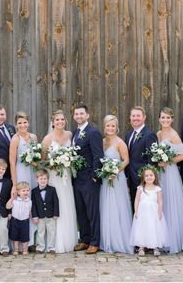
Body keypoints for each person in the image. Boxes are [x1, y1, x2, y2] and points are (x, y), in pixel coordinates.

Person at [41, 109, 78, 253]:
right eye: (57, 120)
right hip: (54, 176)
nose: (60, 122)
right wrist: (55, 163)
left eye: (62, 119)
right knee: (57, 203)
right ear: (53, 122)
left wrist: (68, 160)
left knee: (67, 203)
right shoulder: (47, 138)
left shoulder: (69, 134)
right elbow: (43, 160)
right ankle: (54, 242)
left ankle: (69, 239)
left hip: (67, 176)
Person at [71, 102, 103, 254]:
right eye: (76, 114)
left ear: (87, 115)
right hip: (77, 178)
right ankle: (85, 239)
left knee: (92, 211)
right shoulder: (75, 133)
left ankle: (95, 242)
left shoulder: (93, 132)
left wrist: (95, 175)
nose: (79, 116)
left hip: (90, 178)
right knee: (81, 210)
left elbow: (98, 155)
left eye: (81, 113)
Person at [99, 115, 134, 254]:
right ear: (104, 127)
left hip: (116, 179)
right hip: (105, 179)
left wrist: (115, 171)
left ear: (117, 127)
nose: (110, 128)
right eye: (108, 125)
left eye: (113, 126)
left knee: (117, 208)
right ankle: (107, 240)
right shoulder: (102, 142)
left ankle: (120, 241)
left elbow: (126, 160)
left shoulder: (120, 142)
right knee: (106, 207)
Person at [156, 107, 183, 253]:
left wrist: (168, 162)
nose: (165, 120)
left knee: (170, 202)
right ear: (159, 119)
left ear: (172, 119)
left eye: (168, 118)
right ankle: (161, 237)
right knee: (160, 202)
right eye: (163, 117)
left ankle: (174, 239)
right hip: (160, 172)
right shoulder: (158, 134)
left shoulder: (173, 134)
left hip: (170, 172)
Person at [9, 111, 38, 248]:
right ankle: (20, 242)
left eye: (25, 122)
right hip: (21, 172)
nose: (22, 125)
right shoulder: (15, 139)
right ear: (16, 124)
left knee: (31, 202)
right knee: (21, 202)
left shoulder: (33, 137)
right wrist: (15, 184)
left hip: (32, 172)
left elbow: (37, 158)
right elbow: (12, 162)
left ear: (28, 122)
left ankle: (31, 239)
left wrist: (35, 164)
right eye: (19, 123)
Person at [129, 167, 169, 256]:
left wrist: (160, 212)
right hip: (142, 211)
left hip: (154, 211)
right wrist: (136, 211)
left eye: (151, 175)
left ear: (155, 177)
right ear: (143, 178)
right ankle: (141, 247)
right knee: (142, 228)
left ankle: (155, 247)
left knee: (154, 227)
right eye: (146, 176)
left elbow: (160, 201)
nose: (149, 177)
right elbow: (136, 200)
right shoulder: (140, 188)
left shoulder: (157, 189)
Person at [124, 106, 157, 206]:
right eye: (133, 116)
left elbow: (152, 160)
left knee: (145, 205)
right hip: (130, 177)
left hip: (143, 178)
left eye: (138, 116)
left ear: (144, 117)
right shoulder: (128, 135)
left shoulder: (149, 135)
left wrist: (148, 179)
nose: (135, 118)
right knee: (135, 205)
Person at [31, 168, 60, 254]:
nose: (43, 180)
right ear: (37, 180)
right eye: (41, 179)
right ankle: (40, 247)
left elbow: (56, 202)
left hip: (51, 215)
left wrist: (56, 213)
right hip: (40, 216)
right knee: (40, 232)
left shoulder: (52, 189)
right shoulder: (34, 191)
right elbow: (33, 205)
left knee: (52, 232)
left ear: (48, 179)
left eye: (45, 179)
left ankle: (51, 247)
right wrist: (34, 216)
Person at [6, 181, 32, 256]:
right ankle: (16, 249)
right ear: (18, 192)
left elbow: (29, 210)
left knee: (25, 236)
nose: (26, 192)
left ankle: (24, 249)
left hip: (25, 221)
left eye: (27, 190)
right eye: (23, 191)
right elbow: (7, 206)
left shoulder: (29, 201)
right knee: (15, 236)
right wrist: (11, 198)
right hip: (15, 220)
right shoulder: (14, 200)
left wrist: (30, 212)